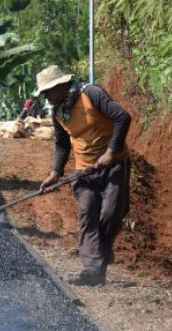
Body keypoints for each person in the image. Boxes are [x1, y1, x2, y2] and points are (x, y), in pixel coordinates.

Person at [36, 65, 131, 287]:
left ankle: (102, 254)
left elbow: (122, 118)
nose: (47, 97)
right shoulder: (58, 111)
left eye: (48, 91)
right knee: (87, 214)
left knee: (111, 214)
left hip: (114, 164)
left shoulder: (91, 94)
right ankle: (91, 271)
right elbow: (61, 145)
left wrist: (111, 152)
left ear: (60, 86)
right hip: (84, 170)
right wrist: (55, 173)